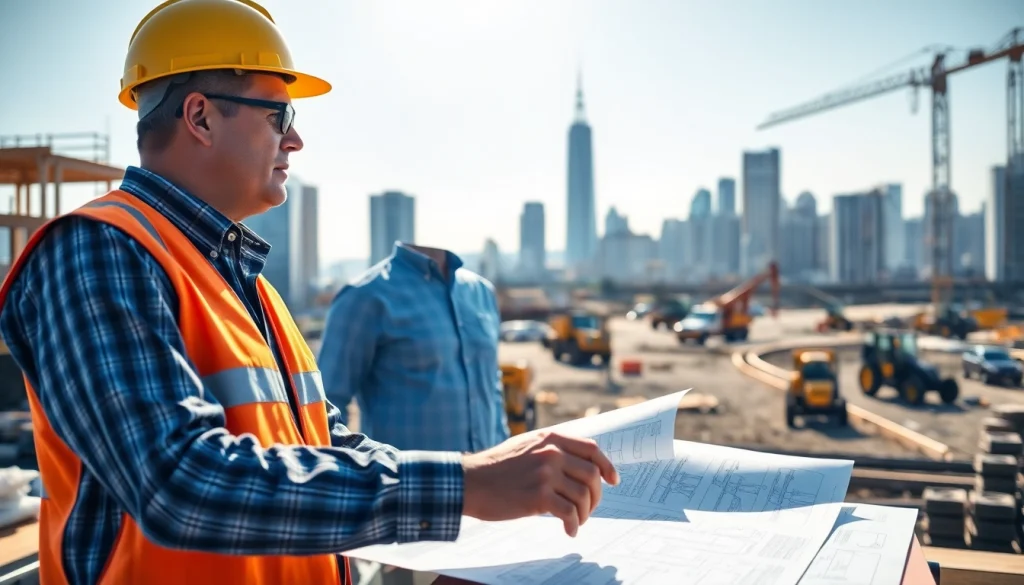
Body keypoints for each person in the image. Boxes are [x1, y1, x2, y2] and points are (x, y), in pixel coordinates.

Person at [0, 1, 618, 584]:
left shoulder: (243, 281)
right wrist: (466, 484)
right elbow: (178, 481)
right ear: (200, 117)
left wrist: (491, 486)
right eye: (279, 116)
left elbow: (320, 443)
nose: (295, 141)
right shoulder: (97, 250)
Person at [318, 242, 510, 454]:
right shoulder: (364, 296)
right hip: (408, 484)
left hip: (493, 480)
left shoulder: (482, 291)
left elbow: (492, 388)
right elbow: (324, 406)